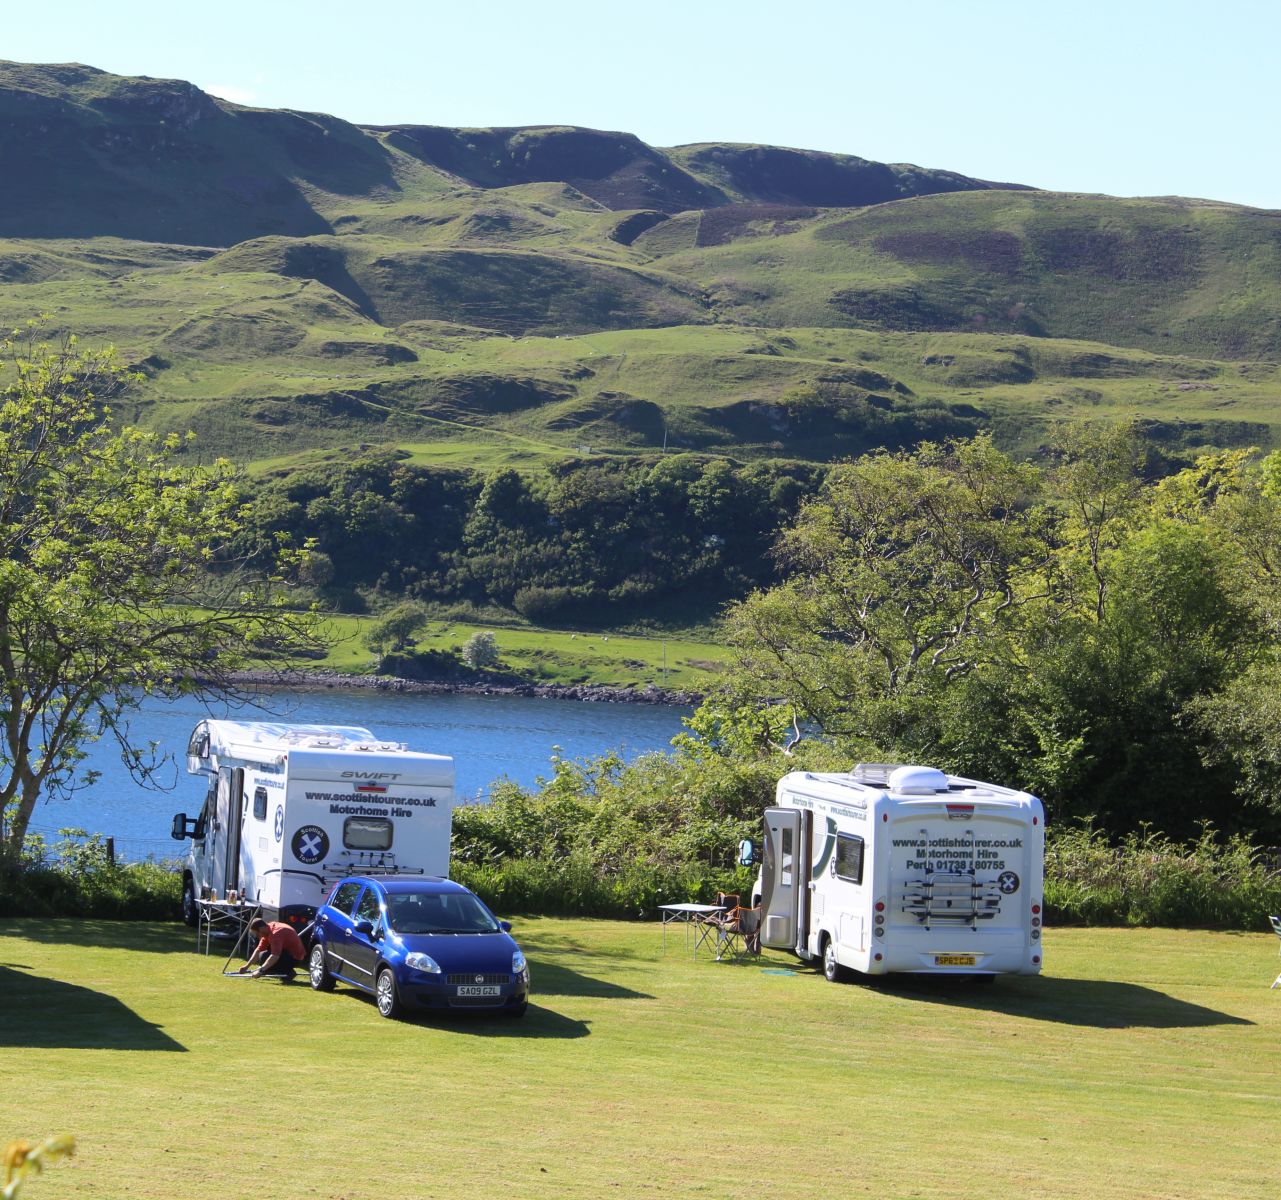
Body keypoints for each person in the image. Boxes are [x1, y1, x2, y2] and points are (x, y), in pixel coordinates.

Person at [236, 917, 306, 981]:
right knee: (262, 955)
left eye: (257, 934)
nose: (257, 937)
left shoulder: (275, 934)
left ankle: (288, 972)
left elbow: (275, 956)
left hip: (295, 958)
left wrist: (260, 971)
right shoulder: (268, 928)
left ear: (261, 929)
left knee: (264, 957)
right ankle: (283, 970)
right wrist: (246, 966)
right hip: (288, 953)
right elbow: (258, 950)